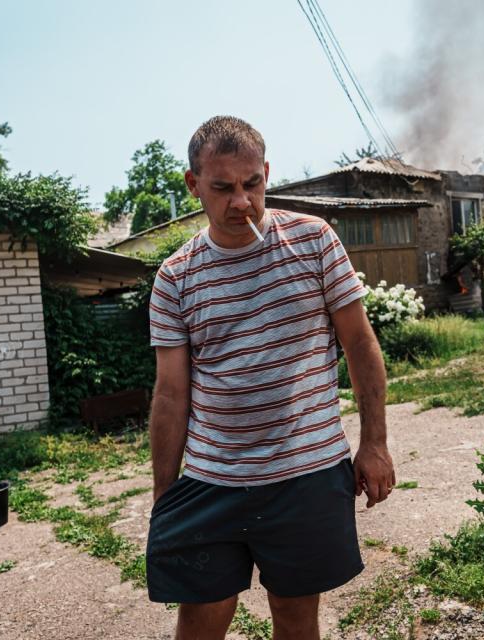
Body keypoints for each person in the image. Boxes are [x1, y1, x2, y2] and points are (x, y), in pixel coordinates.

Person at [147, 115, 395, 639]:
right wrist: (165, 494)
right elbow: (171, 394)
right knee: (201, 616)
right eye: (222, 188)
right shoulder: (176, 277)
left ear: (266, 174)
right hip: (212, 478)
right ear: (194, 186)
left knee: (295, 612)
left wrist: (375, 443)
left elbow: (360, 344)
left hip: (307, 473)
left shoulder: (314, 242)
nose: (241, 202)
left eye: (252, 184)